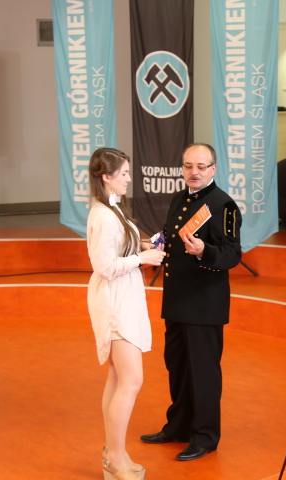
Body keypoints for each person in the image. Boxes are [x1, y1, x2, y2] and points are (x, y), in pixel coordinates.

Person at [140, 143, 242, 461]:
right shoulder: (178, 199)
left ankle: (205, 436)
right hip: (177, 299)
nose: (194, 172)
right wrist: (155, 245)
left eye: (201, 166)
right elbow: (171, 238)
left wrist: (204, 251)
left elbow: (232, 254)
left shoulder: (224, 205)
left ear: (213, 169)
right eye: (188, 166)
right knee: (178, 367)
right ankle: (179, 427)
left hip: (204, 304)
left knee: (203, 373)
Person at [87, 148, 165, 480]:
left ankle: (113, 452)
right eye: (123, 174)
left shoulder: (112, 207)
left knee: (119, 378)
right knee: (131, 380)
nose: (129, 179)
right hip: (115, 302)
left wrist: (141, 247)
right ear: (106, 177)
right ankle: (115, 457)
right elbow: (104, 266)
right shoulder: (104, 215)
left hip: (122, 297)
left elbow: (117, 250)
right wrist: (142, 259)